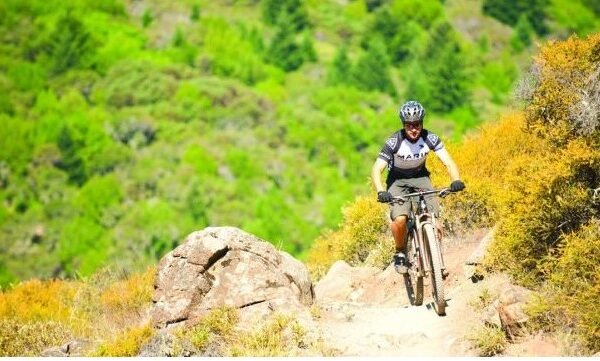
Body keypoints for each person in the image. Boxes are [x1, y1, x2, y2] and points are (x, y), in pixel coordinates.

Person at [370, 100, 465, 274]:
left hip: (421, 177)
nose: (413, 129)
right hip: (397, 181)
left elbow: (448, 162)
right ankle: (400, 252)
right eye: (409, 125)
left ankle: (437, 261)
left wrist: (456, 179)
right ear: (403, 125)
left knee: (435, 221)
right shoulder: (394, 142)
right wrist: (380, 191)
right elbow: (377, 169)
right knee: (400, 220)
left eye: (417, 125)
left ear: (422, 123)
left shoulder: (430, 138)